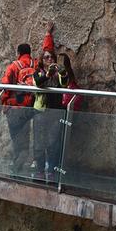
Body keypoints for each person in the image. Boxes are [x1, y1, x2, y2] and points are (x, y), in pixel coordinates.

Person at [32, 34, 70, 181]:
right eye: (46, 57)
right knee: (39, 142)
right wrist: (48, 74)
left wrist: (62, 72)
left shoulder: (58, 73)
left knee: (54, 142)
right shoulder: (38, 72)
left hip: (55, 111)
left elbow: (65, 83)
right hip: (40, 111)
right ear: (42, 60)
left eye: (51, 57)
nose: (49, 59)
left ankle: (52, 171)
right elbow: (38, 83)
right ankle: (40, 170)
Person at [1, 42, 37, 171]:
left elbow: (6, 85)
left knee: (16, 136)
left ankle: (17, 164)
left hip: (15, 107)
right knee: (25, 134)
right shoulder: (36, 65)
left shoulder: (14, 66)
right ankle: (23, 160)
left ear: (18, 53)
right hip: (31, 107)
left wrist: (4, 103)